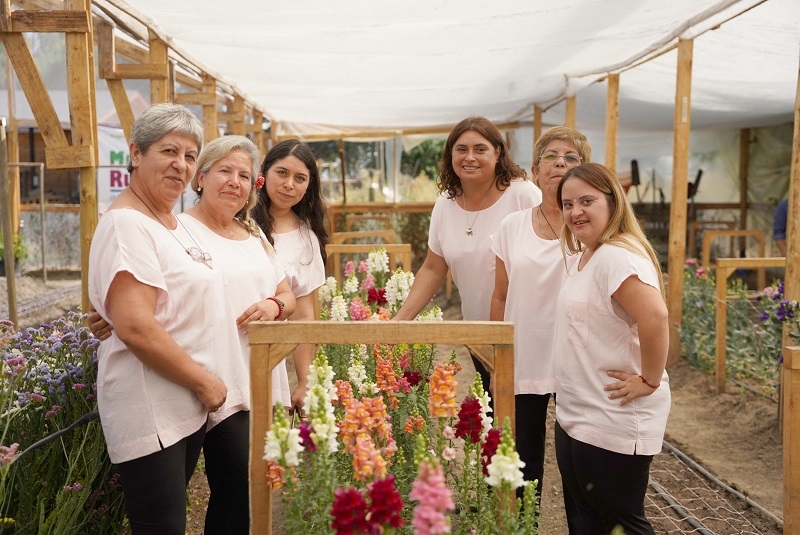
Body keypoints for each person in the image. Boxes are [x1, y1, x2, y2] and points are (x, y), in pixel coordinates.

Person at [88, 102, 225, 534]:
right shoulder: (126, 225)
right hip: (152, 403)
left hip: (181, 399)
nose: (180, 165)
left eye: (189, 156)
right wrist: (204, 382)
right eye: (168, 151)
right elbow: (135, 326)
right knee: (160, 526)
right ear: (135, 153)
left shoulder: (171, 222)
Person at [181, 135, 296, 534]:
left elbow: (288, 295)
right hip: (213, 375)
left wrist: (273, 306)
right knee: (235, 483)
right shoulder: (178, 230)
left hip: (260, 376)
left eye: (244, 175)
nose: (234, 181)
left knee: (249, 490)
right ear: (201, 177)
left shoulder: (254, 235)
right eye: (224, 171)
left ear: (252, 186)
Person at [553, 162, 670, 534]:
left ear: (613, 202)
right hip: (579, 412)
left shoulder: (618, 256)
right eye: (568, 204)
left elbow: (655, 317)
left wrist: (649, 380)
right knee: (588, 519)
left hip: (612, 415)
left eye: (586, 200)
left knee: (621, 522)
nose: (575, 211)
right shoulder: (588, 254)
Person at [393, 116, 541, 396]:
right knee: (497, 418)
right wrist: (400, 320)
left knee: (522, 426)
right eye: (461, 149)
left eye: (480, 149)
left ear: (498, 153)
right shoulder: (445, 204)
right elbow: (434, 268)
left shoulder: (523, 196)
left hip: (526, 332)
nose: (469, 157)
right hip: (479, 331)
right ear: (450, 155)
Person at [489, 126, 591, 501]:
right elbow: (500, 296)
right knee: (522, 463)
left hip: (578, 360)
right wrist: (495, 354)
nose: (560, 163)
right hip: (524, 357)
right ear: (534, 169)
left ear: (584, 171)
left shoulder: (592, 226)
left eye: (571, 158)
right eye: (551, 156)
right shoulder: (511, 226)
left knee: (579, 462)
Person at [252, 139, 329, 410]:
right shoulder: (238, 220)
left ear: (309, 186)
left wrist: (304, 380)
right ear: (264, 172)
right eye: (282, 173)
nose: (289, 185)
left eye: (300, 178)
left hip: (268, 359)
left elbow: (304, 314)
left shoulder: (305, 239)